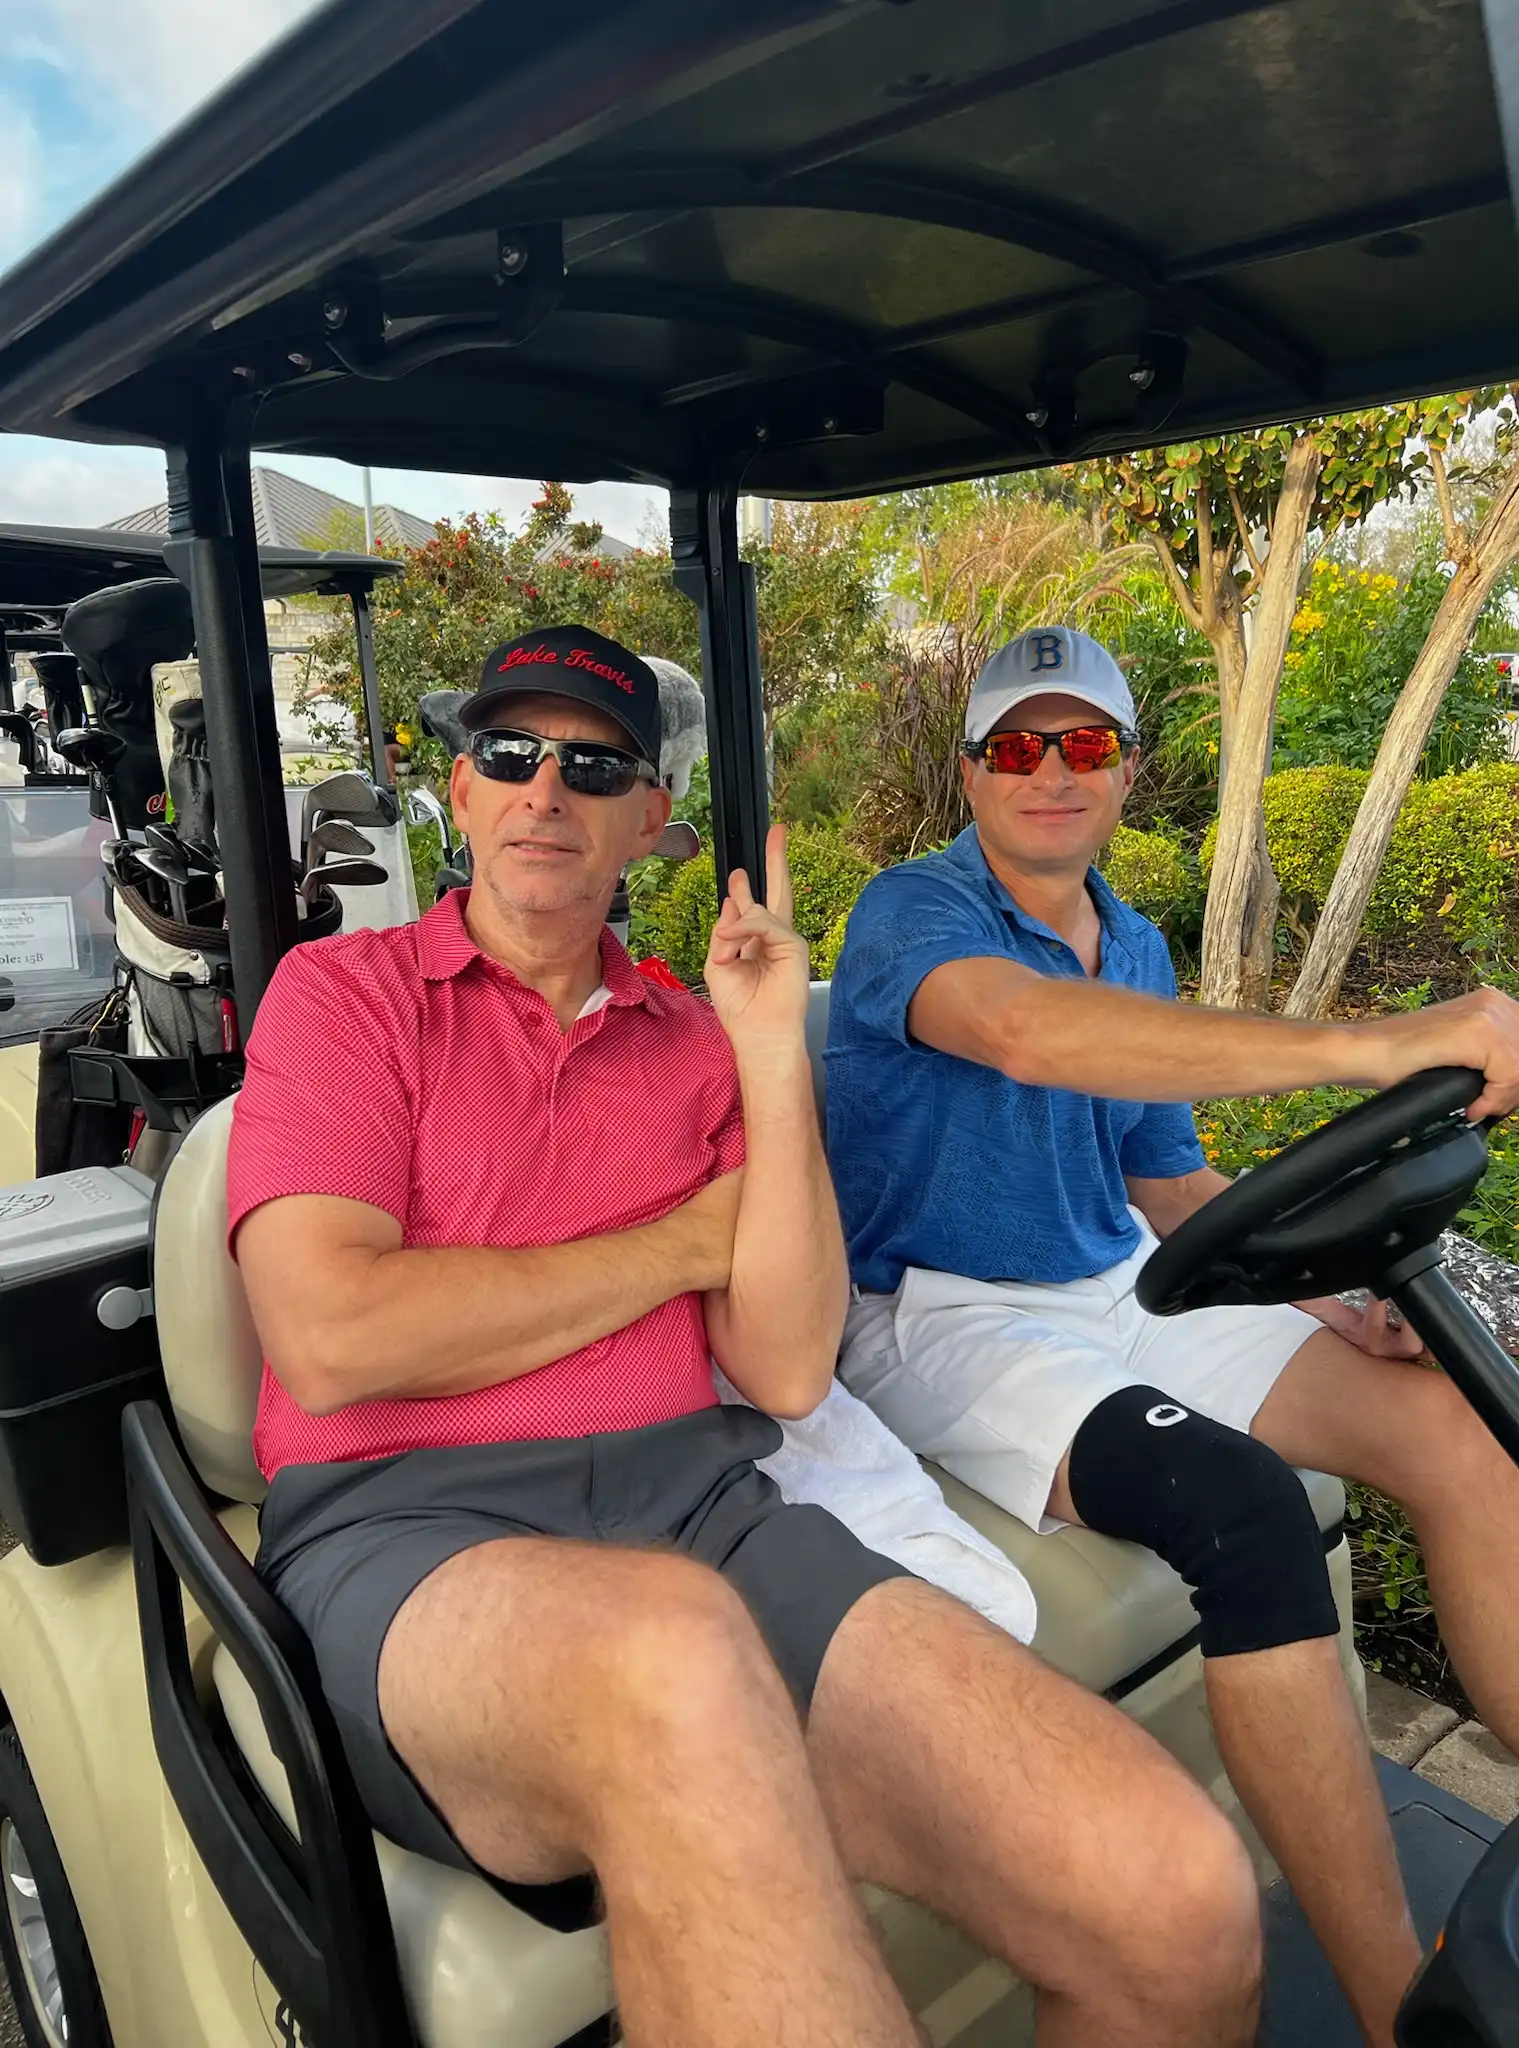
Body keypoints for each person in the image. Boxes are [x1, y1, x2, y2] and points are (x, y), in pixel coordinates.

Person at [229, 624, 1262, 2048]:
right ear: (459, 790)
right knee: (678, 1656)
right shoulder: (344, 999)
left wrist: (772, 1053)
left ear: (650, 819)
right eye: (510, 755)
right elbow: (334, 1333)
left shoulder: (693, 1041)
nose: (546, 792)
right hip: (407, 1530)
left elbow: (780, 1368)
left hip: (703, 1508)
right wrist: (675, 1245)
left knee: (1174, 1895)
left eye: (596, 768)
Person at [825, 624, 1519, 2048]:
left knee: (1455, 1422)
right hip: (938, 1311)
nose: (1049, 770)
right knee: (1248, 1510)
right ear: (969, 772)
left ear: (1128, 770)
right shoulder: (910, 912)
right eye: (1015, 745)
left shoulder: (1136, 944)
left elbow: (1167, 1187)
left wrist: (1338, 1299)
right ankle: (1408, 2013)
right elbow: (1027, 1034)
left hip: (1119, 1283)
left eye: (1083, 743)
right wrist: (1379, 1043)